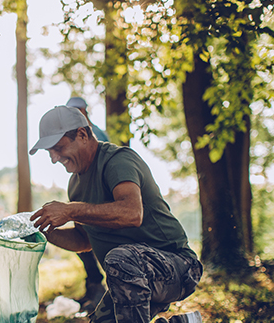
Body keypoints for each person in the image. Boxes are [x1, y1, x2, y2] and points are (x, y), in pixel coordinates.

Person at [28, 106, 203, 323]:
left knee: (120, 258)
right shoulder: (75, 186)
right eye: (49, 152)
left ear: (82, 134)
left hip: (177, 267)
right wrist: (44, 232)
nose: (54, 158)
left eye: (58, 147)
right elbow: (84, 241)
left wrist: (70, 210)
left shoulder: (118, 161)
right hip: (128, 276)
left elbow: (131, 213)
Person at [65, 97, 109, 310]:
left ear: (84, 111)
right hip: (82, 192)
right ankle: (94, 285)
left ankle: (106, 290)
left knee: (99, 240)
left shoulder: (96, 134)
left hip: (99, 196)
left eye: (76, 111)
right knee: (83, 241)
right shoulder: (70, 134)